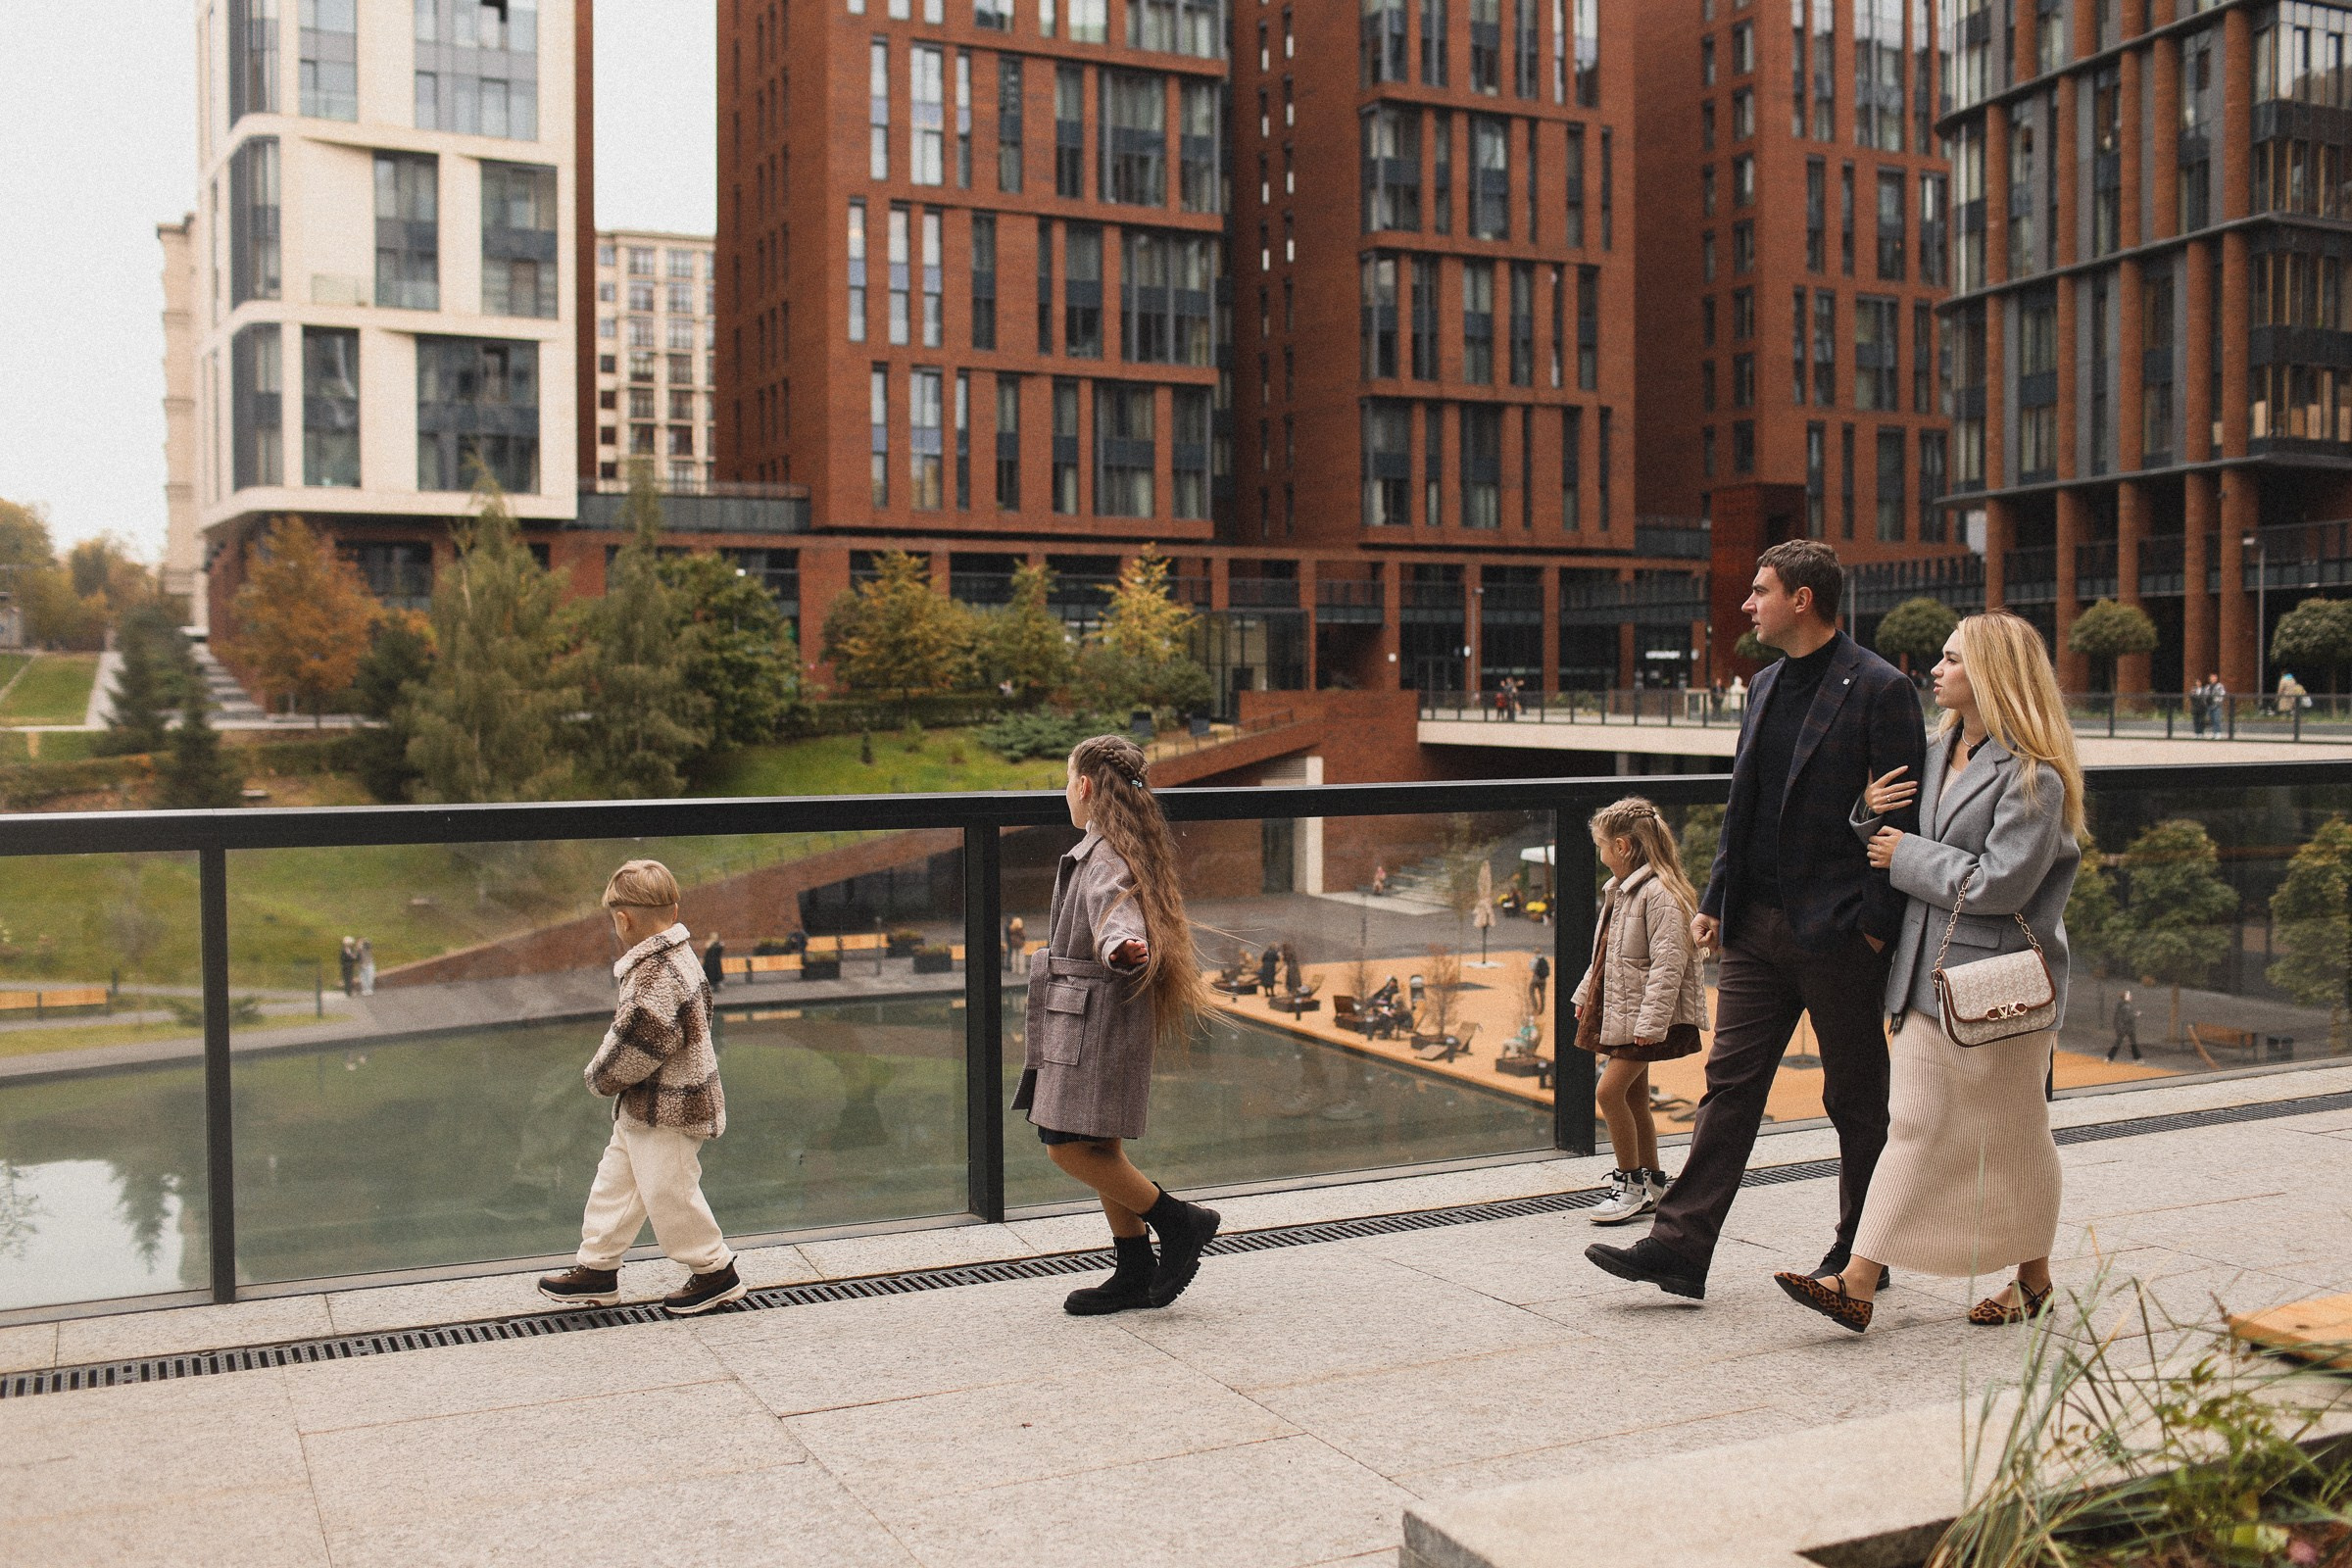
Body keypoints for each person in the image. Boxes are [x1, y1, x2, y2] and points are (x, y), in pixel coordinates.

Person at [1587, 539, 1925, 1300]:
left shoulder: (1881, 690)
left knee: (1854, 1099)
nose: (1748, 603)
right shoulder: (1765, 683)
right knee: (1728, 1089)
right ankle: (1678, 1247)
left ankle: (1862, 1249)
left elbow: (1905, 822)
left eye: (1760, 590)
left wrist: (1874, 926)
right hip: (1755, 929)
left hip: (1840, 934)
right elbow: (1748, 807)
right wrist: (1716, 896)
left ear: (1802, 599)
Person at [1774, 611, 2081, 1333]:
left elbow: (2002, 884)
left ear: (1993, 676)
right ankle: (1858, 1279)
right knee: (1912, 1123)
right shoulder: (1936, 751)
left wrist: (1903, 857)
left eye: (1951, 660)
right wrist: (1865, 812)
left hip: (1996, 991)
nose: (1935, 671)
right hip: (1920, 980)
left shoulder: (2035, 778)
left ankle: (2029, 1279)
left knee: (2016, 1130)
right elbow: (1895, 837)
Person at [1013, 734, 1221, 1315]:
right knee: (1099, 1144)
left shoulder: (1104, 856)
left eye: (1066, 778)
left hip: (1093, 1021)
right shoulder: (1116, 846)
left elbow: (1115, 914)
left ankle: (1179, 1221)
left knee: (1064, 1146)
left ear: (1083, 786)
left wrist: (1119, 948)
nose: (1065, 790)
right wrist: (1120, 946)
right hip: (1094, 1016)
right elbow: (1118, 914)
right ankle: (1134, 1266)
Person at [538, 859, 746, 1316]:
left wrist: (598, 1078)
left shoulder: (654, 975)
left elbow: (635, 1045)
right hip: (649, 1106)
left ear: (622, 919)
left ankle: (715, 1271)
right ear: (673, 911)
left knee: (670, 1193)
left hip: (670, 1108)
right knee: (616, 1185)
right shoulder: (679, 956)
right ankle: (597, 1267)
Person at [1569, 798, 1709, 1225]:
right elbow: (1605, 954)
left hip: (1643, 1018)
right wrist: (1583, 997)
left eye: (1602, 845)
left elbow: (1670, 966)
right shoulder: (1621, 890)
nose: (1601, 854)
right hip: (1625, 1011)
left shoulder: (1660, 895)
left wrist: (1652, 1023)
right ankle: (1651, 1182)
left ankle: (1628, 1184)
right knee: (1633, 1096)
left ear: (1623, 846)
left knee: (1608, 1093)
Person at [2110, 989, 2142, 1062]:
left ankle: (2110, 1057)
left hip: (2123, 1027)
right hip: (2126, 1028)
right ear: (2126, 997)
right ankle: (2137, 1059)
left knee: (2120, 1042)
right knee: (2132, 1043)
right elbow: (2128, 1018)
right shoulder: (2126, 1006)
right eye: (2129, 995)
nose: (2131, 996)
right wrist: (2136, 1015)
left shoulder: (2123, 1004)